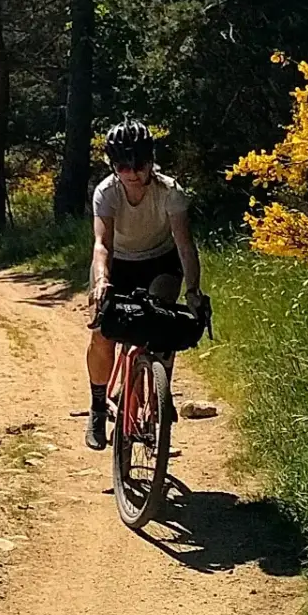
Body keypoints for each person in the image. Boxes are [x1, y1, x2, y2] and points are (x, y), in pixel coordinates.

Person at [83, 120, 204, 451]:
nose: (132, 172)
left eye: (139, 163)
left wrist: (193, 291)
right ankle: (97, 406)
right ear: (113, 164)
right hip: (117, 262)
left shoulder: (170, 193)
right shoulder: (107, 192)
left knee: (161, 323)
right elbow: (101, 244)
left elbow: (184, 245)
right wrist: (103, 280)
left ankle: (158, 397)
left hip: (160, 262)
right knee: (103, 335)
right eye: (123, 165)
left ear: (151, 160)